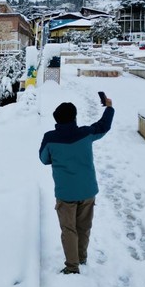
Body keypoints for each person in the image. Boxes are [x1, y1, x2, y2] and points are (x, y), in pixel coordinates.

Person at [39, 97, 114, 275]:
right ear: (74, 117)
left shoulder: (50, 138)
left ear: (56, 119)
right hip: (88, 190)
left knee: (69, 229)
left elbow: (44, 159)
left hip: (66, 194)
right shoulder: (86, 133)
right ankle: (81, 257)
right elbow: (103, 126)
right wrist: (109, 108)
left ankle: (72, 267)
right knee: (83, 227)